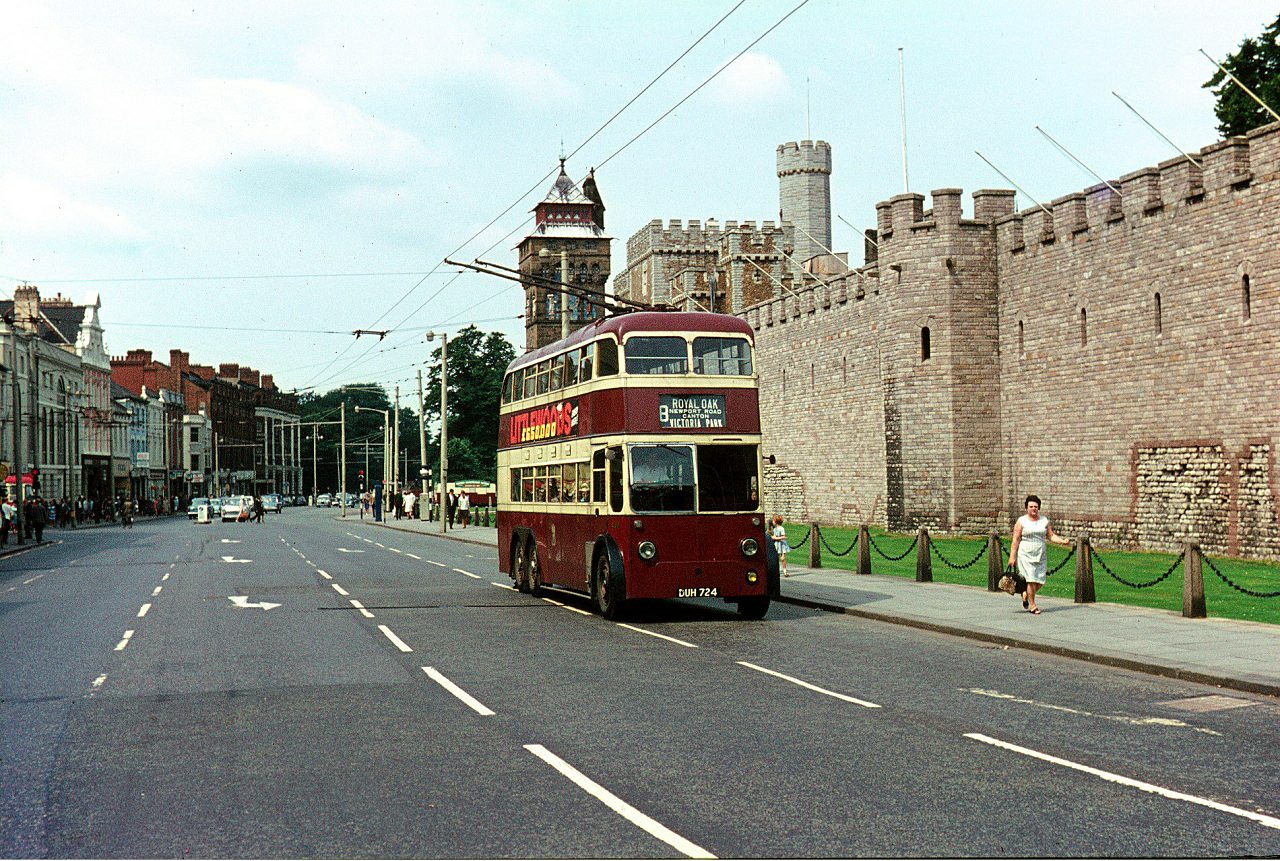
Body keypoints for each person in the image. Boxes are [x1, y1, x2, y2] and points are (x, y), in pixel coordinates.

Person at [1007, 494, 1071, 615]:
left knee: (1039, 580)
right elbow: (1015, 539)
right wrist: (1012, 557)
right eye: (1031, 506)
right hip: (1025, 553)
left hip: (1040, 553)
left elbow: (1051, 535)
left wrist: (1062, 541)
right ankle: (1033, 605)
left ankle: (1025, 593)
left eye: (1036, 506)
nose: (1033, 509)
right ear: (1026, 507)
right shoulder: (1021, 521)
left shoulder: (1044, 521)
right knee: (1030, 579)